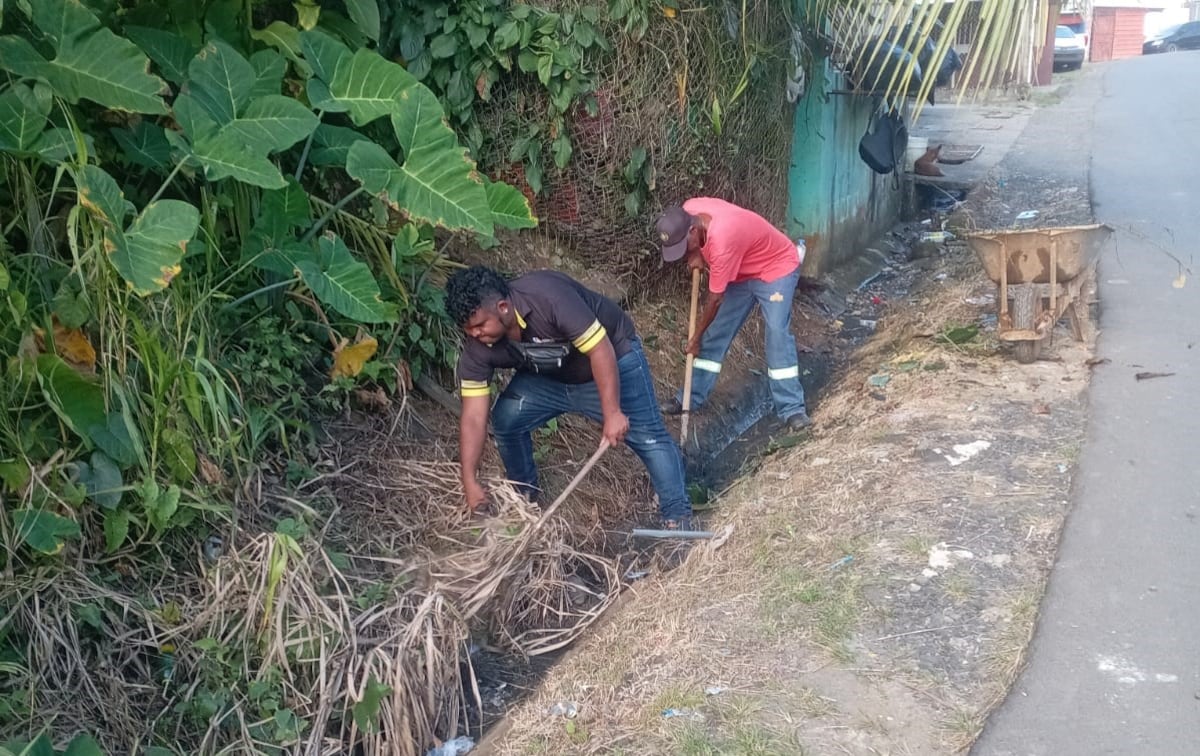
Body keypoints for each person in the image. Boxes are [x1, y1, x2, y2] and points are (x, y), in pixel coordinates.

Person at [445, 265, 693, 528]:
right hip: (549, 379)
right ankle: (525, 500)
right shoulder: (478, 348)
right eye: (468, 330)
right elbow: (473, 416)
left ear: (503, 307)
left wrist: (612, 413)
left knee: (649, 437)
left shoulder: (549, 297)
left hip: (612, 360)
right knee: (506, 421)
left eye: (480, 326)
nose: (475, 335)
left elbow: (600, 349)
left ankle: (677, 518)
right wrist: (469, 480)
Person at [656, 198, 812, 430]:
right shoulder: (689, 210)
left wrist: (695, 338)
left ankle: (792, 409)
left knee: (777, 333)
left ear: (693, 230)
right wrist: (694, 253)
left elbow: (715, 299)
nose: (683, 253)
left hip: (775, 268)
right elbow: (697, 245)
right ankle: (689, 399)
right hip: (742, 272)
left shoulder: (723, 241)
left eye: (684, 246)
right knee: (715, 334)